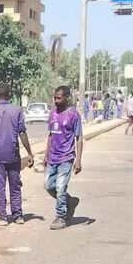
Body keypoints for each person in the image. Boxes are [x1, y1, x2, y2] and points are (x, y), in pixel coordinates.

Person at [0, 82, 34, 226]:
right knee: (15, 184)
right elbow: (22, 133)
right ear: (10, 94)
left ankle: (3, 217)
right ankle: (18, 216)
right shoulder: (17, 110)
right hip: (13, 154)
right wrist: (30, 153)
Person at [45, 86, 83, 231]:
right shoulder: (53, 113)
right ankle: (69, 201)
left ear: (67, 97)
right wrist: (46, 154)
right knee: (48, 186)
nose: (56, 100)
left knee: (61, 187)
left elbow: (79, 138)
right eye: (55, 97)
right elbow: (50, 135)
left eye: (59, 98)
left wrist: (78, 160)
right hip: (52, 157)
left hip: (66, 157)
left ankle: (61, 216)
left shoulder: (74, 115)